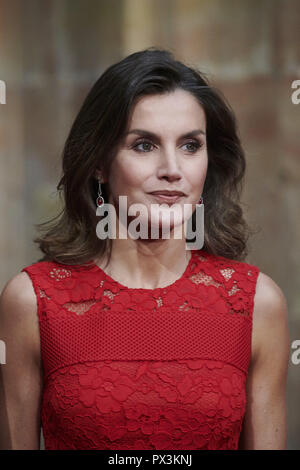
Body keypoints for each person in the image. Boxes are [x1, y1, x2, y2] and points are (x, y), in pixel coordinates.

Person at [0, 47, 290, 450]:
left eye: (191, 145)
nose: (172, 169)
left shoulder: (258, 304)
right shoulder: (31, 302)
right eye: (143, 145)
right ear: (99, 163)